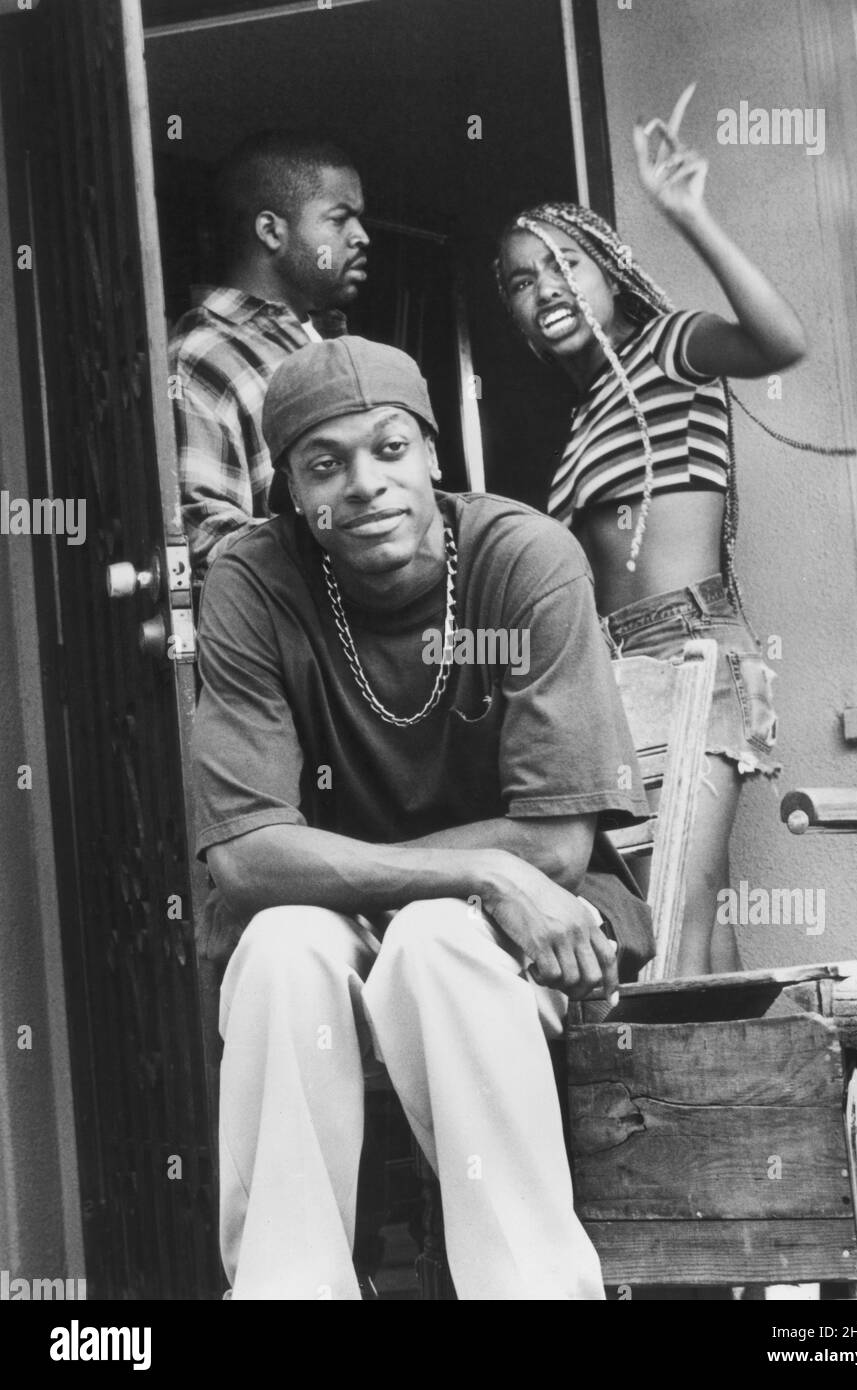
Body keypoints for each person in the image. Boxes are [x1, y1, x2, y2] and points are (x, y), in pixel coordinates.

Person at [191, 335, 653, 1300]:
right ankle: (287, 1288)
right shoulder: (251, 580)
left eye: (390, 449)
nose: (364, 484)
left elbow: (556, 847)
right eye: (326, 466)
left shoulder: (522, 557)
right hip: (352, 925)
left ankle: (528, 1288)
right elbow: (245, 859)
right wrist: (478, 868)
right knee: (279, 946)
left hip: (526, 937)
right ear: (291, 493)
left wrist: (384, 876)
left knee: (435, 939)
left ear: (434, 454)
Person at [495, 90, 807, 977]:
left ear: (612, 274)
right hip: (616, 671)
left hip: (690, 652)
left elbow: (780, 342)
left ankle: (686, 1103)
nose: (544, 287)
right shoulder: (586, 413)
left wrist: (690, 212)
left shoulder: (670, 346)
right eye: (521, 279)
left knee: (676, 910)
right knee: (691, 903)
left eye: (565, 265)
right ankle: (745, 1095)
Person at [169, 130, 370, 575]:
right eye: (340, 219)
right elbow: (202, 534)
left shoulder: (330, 341)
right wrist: (352, 548)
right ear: (270, 231)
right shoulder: (204, 355)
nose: (362, 237)